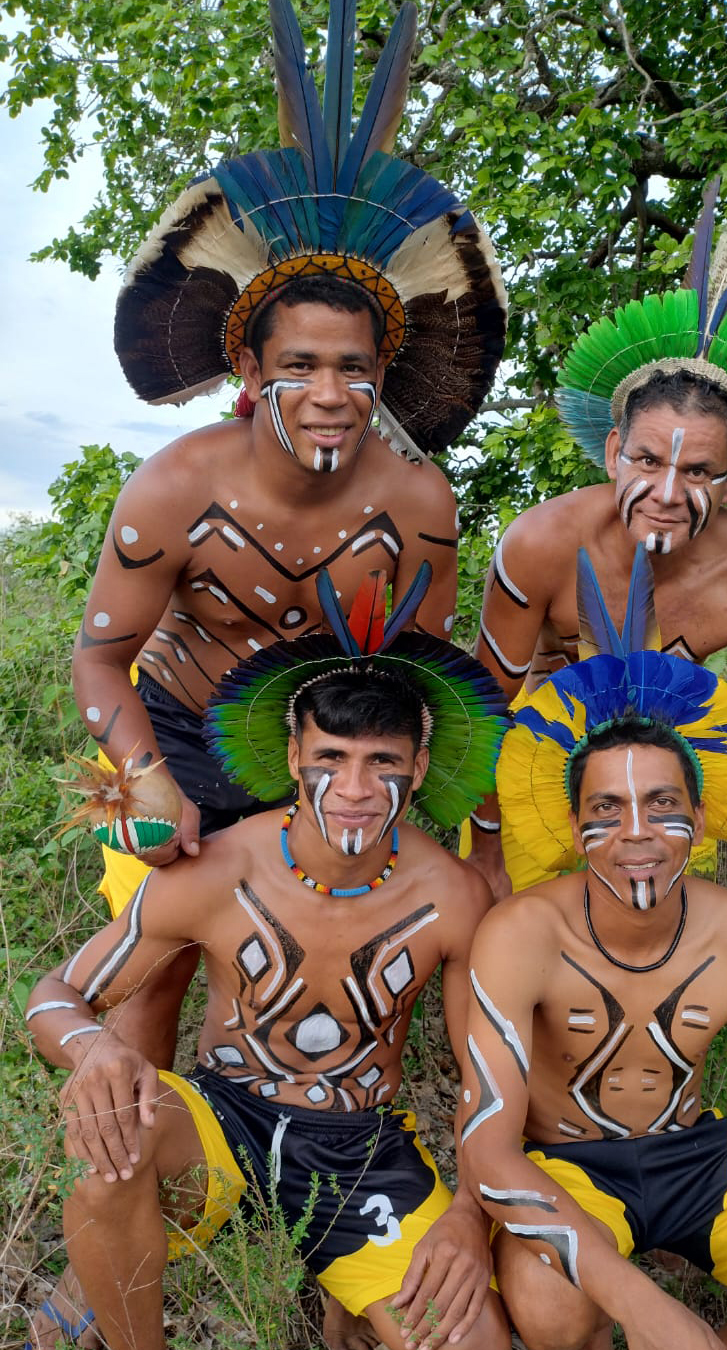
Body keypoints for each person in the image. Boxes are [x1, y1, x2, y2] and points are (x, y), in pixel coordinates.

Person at [74, 0, 506, 1063]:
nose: (329, 394)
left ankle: (298, 1137)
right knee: (154, 970)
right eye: (299, 366)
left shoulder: (418, 504)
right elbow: (99, 657)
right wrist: (148, 778)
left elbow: (412, 673)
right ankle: (140, 1137)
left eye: (353, 368)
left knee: (309, 970)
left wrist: (401, 804)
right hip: (176, 732)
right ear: (250, 367)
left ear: (382, 371)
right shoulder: (173, 489)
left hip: (319, 758)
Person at [26, 594, 511, 1350]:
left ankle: (346, 1281)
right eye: (330, 759)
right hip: (222, 1120)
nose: (354, 791)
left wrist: (469, 1216)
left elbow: (487, 1077)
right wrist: (94, 1049)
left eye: (382, 762)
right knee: (111, 1143)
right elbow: (56, 995)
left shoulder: (452, 896)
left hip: (360, 1151)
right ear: (293, 759)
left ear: (418, 767)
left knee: (473, 1341)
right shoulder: (221, 869)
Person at [457, 631, 727, 1350]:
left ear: (698, 819)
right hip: (566, 1166)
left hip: (696, 1153)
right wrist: (643, 1305)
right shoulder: (521, 934)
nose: (636, 833)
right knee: (551, 1307)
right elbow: (487, 1150)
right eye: (606, 809)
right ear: (572, 825)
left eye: (661, 803)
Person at [466, 183, 727, 911]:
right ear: (613, 453)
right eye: (648, 461)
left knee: (654, 958)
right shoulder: (542, 543)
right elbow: (484, 713)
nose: (665, 492)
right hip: (533, 775)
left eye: (697, 472)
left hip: (671, 785)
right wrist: (490, 860)